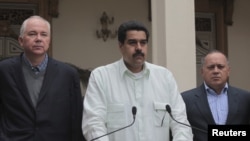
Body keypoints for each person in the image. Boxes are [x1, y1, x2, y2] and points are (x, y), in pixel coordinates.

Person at [82, 20, 193, 141]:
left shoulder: (165, 77)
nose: (139, 48)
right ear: (120, 45)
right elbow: (93, 124)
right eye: (132, 43)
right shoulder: (101, 77)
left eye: (143, 43)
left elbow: (181, 123)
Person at [0, 15, 85, 141]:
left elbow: (76, 117)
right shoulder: (4, 70)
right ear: (21, 40)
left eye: (44, 34)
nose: (38, 39)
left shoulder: (68, 74)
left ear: (49, 41)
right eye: (32, 34)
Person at [181, 50, 250, 141]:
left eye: (220, 67)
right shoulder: (185, 99)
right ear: (202, 72)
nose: (216, 71)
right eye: (211, 67)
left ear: (228, 71)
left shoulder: (245, 98)